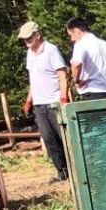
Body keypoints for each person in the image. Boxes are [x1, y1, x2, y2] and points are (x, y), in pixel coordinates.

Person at [19, 20, 70, 182]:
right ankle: (62, 172)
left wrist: (63, 98)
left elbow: (63, 75)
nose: (27, 41)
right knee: (48, 139)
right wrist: (28, 101)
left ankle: (76, 169)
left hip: (54, 101)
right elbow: (33, 81)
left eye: (29, 37)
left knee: (64, 137)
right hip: (39, 104)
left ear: (38, 35)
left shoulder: (51, 50)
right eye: (25, 39)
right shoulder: (30, 54)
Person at [65, 17, 106, 99]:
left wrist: (77, 81)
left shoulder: (81, 44)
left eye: (71, 35)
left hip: (91, 95)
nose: (72, 39)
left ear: (76, 31)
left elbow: (76, 64)